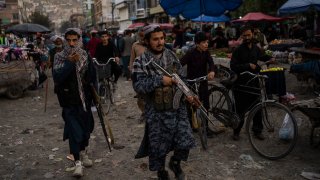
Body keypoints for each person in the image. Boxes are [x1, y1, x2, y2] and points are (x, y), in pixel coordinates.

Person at [132, 24, 198, 180]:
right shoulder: (140, 62)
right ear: (147, 41)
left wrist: (189, 94)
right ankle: (161, 171)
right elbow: (138, 86)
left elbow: (182, 78)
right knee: (158, 148)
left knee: (185, 140)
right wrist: (159, 80)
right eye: (155, 39)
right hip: (156, 113)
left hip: (177, 109)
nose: (160, 42)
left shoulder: (172, 56)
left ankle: (175, 163)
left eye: (162, 38)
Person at [53, 28, 94, 177]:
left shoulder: (85, 55)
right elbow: (57, 78)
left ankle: (84, 154)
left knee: (86, 129)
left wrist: (95, 97)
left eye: (74, 40)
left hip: (84, 101)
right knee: (74, 131)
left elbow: (91, 78)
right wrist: (69, 64)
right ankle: (77, 162)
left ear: (79, 40)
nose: (71, 44)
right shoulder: (59, 57)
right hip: (68, 101)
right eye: (68, 40)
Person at [180, 31, 218, 138]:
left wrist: (212, 71)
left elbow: (211, 63)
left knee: (205, 106)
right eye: (204, 42)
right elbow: (180, 63)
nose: (206, 44)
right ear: (197, 43)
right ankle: (190, 127)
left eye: (207, 42)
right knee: (192, 107)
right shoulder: (191, 53)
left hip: (203, 83)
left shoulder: (206, 53)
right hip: (192, 84)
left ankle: (206, 128)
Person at [230, 25, 264, 141]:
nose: (247, 37)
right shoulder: (238, 50)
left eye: (249, 35)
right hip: (241, 85)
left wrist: (270, 59)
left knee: (258, 107)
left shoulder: (256, 48)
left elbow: (261, 59)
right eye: (245, 35)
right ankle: (236, 131)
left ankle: (257, 130)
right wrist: (247, 65)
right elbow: (233, 67)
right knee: (240, 110)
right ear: (242, 36)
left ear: (253, 34)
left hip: (254, 83)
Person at [129, 29, 146, 123]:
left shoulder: (150, 44)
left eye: (143, 36)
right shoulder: (135, 45)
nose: (142, 38)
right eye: (140, 36)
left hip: (149, 74)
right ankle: (143, 112)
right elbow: (132, 59)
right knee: (140, 97)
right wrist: (131, 71)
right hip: (138, 74)